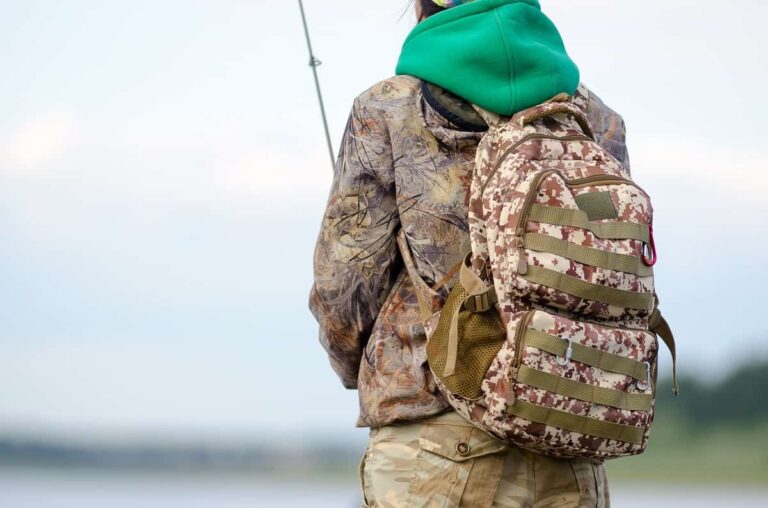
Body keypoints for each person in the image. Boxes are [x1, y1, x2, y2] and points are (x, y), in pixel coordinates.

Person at [310, 0, 628, 505]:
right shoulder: (594, 118)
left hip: (432, 444)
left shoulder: (388, 108)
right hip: (567, 438)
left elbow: (343, 294)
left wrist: (369, 371)